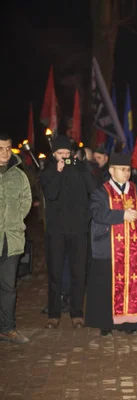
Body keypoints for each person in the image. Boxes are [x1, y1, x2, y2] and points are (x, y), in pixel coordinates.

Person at [86, 153, 137, 336]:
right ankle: (106, 323)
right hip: (108, 249)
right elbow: (97, 214)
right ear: (111, 171)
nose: (127, 173)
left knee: (132, 284)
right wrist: (121, 215)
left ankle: (130, 323)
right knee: (106, 286)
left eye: (128, 170)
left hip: (134, 249)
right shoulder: (101, 192)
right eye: (122, 170)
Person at [39, 135, 97, 329]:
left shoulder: (79, 167)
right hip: (56, 231)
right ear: (53, 154)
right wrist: (57, 171)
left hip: (79, 229)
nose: (64, 157)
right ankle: (54, 314)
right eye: (59, 154)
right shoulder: (47, 171)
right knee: (55, 272)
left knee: (79, 272)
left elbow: (93, 189)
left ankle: (77, 313)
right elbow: (51, 193)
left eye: (66, 153)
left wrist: (82, 166)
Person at [0, 134, 32, 344]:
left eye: (7, 148)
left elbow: (27, 201)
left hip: (11, 240)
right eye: (0, 148)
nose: (4, 153)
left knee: (9, 287)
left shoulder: (19, 176)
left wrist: (15, 221)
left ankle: (7, 328)